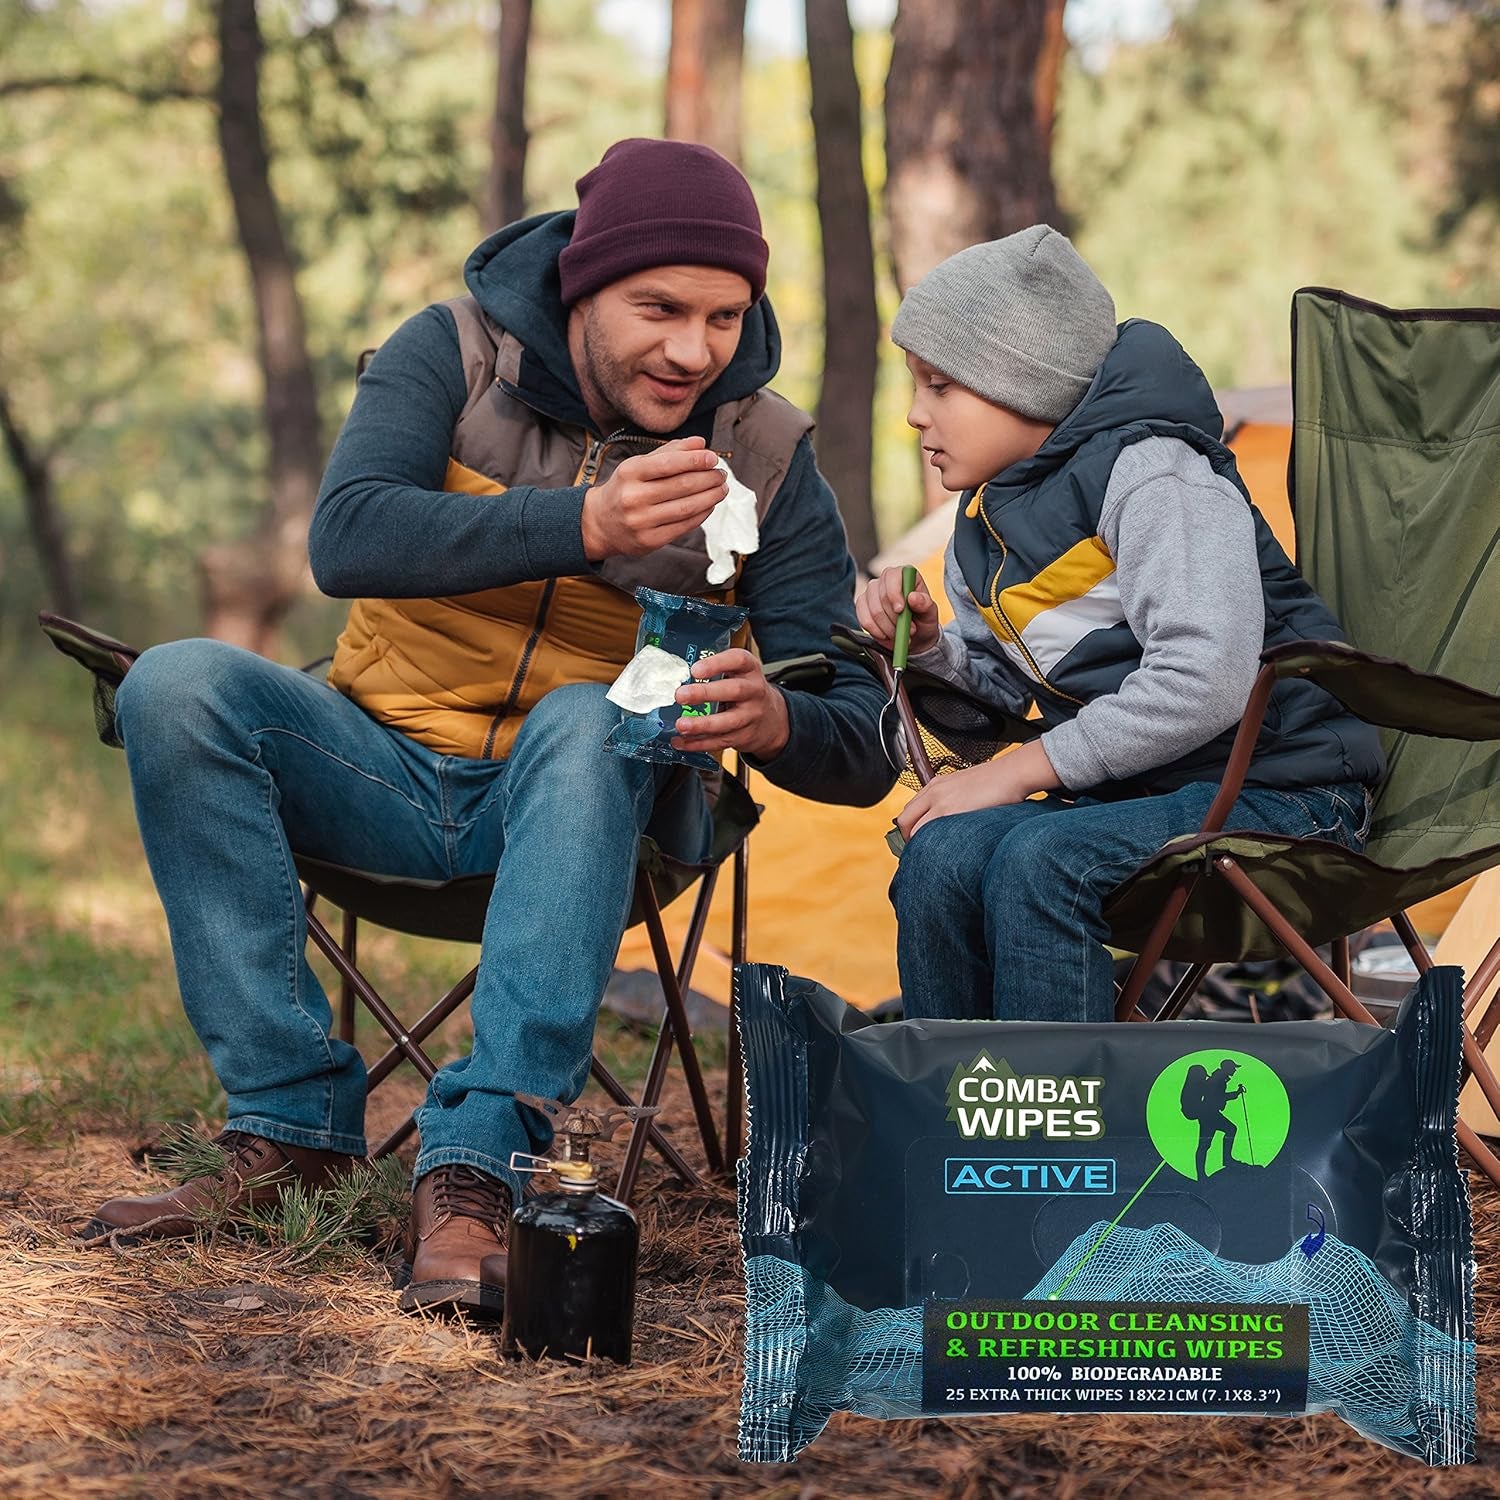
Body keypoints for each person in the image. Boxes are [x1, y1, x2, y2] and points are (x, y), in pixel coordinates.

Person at [85, 138, 893, 1317]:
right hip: (379, 770)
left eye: (724, 317)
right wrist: (583, 526)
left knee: (586, 714)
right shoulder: (454, 353)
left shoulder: (765, 454)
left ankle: (476, 1166)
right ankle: (289, 1130)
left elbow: (862, 737)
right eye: (660, 309)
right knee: (175, 683)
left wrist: (775, 720)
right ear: (583, 286)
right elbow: (348, 536)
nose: (693, 350)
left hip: (597, 812)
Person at [856, 225, 1384, 1025]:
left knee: (1040, 861)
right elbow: (1005, 700)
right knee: (939, 857)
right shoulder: (982, 528)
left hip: (1288, 794)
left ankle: (1060, 1107)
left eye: (939, 387)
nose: (912, 416)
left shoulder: (1154, 475)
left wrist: (1022, 771)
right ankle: (962, 1096)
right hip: (1142, 798)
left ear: (1022, 380)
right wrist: (932, 651)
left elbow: (1205, 678)